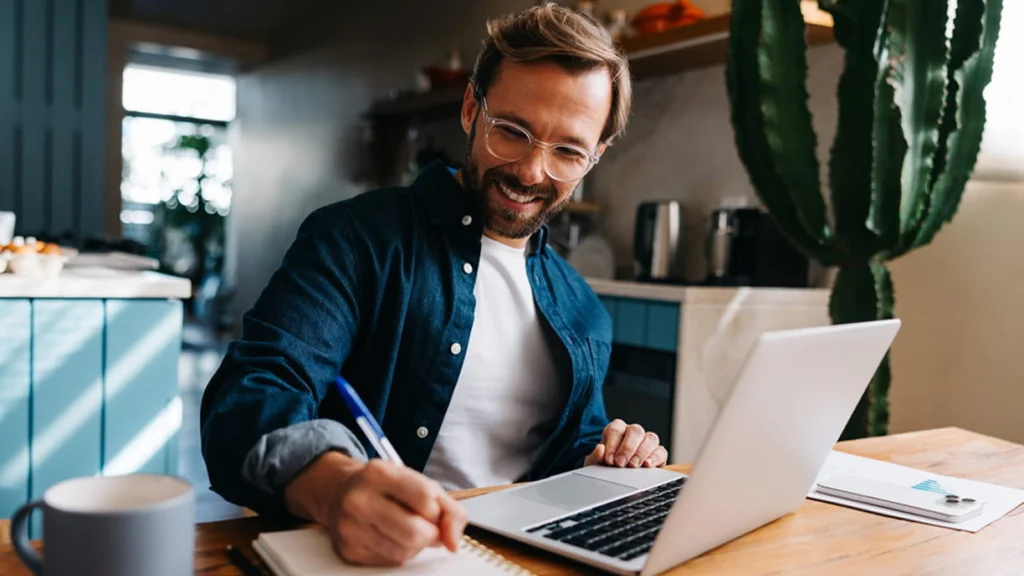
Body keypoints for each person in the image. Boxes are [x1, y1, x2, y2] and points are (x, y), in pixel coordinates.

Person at [199, 3, 667, 567]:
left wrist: (613, 451)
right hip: (378, 556)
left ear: (596, 156)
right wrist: (333, 485)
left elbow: (570, 446)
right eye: (513, 132)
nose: (531, 171)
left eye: (567, 151)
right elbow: (248, 395)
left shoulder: (582, 305)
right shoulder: (355, 239)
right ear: (472, 108)